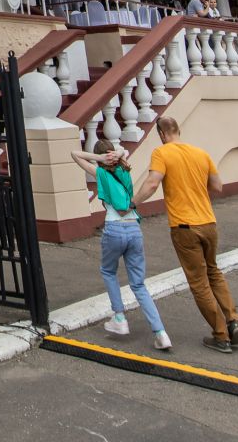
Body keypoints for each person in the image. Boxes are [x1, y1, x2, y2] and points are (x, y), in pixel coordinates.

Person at [134, 115, 238, 354]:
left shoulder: (162, 153)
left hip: (184, 226)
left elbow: (152, 183)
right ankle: (232, 319)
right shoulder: (201, 153)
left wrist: (132, 202)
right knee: (214, 271)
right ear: (178, 130)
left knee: (198, 282)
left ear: (162, 135)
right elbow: (217, 186)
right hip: (209, 222)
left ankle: (221, 335)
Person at [70, 142, 171, 349]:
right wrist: (118, 154)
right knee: (138, 284)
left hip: (114, 228)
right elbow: (124, 152)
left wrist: (99, 159)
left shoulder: (99, 172)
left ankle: (119, 318)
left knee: (108, 271)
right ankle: (160, 333)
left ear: (102, 156)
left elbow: (74, 154)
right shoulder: (125, 169)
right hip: (134, 228)